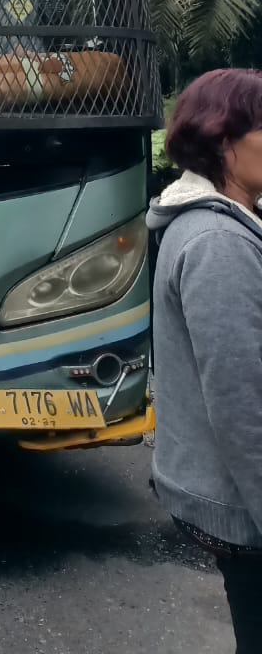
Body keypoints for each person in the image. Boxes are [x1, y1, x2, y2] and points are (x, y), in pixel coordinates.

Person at [148, 68, 262, 651]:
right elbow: (241, 403)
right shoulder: (218, 245)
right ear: (224, 141)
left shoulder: (211, 226)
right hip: (242, 506)